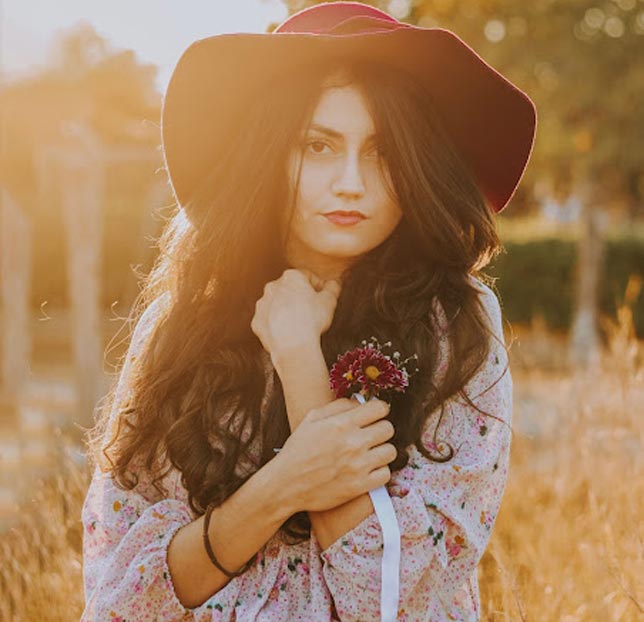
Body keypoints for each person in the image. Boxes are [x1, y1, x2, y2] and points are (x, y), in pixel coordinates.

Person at [80, 2, 537, 621]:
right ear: (271, 155)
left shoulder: (456, 323)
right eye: (318, 146)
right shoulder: (181, 323)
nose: (350, 181)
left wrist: (299, 362)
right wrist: (282, 484)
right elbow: (126, 598)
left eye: (382, 152)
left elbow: (385, 596)